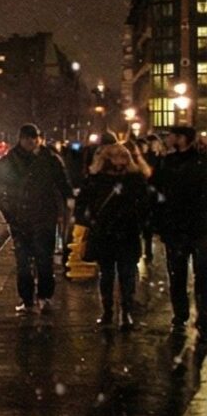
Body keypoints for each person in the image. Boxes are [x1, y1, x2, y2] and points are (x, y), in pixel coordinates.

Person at [0, 125, 73, 316]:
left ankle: (44, 296)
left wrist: (68, 200)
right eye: (28, 138)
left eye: (34, 138)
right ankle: (27, 299)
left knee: (44, 258)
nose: (31, 142)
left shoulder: (50, 160)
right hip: (20, 217)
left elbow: (62, 182)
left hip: (44, 216)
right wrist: (8, 211)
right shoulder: (9, 161)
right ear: (20, 139)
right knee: (23, 261)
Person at [76, 143, 153, 330]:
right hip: (105, 232)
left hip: (127, 232)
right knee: (107, 275)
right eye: (117, 156)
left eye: (124, 156)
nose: (122, 160)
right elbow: (82, 204)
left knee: (127, 274)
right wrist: (89, 221)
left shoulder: (134, 179)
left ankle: (125, 311)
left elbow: (146, 204)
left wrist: (141, 222)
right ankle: (108, 310)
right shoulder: (96, 180)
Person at [154, 125, 207, 328]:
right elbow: (158, 193)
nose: (167, 139)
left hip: (196, 226)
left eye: (171, 136)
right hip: (178, 227)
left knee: (200, 273)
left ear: (182, 138)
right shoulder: (167, 162)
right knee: (178, 274)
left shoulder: (197, 163)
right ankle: (182, 313)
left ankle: (201, 315)